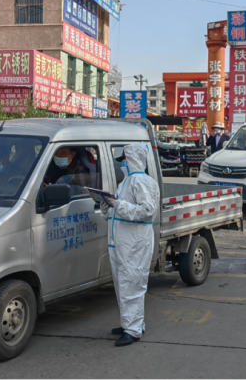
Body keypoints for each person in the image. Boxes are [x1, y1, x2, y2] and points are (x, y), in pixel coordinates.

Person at [99, 143, 160, 347]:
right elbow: (123, 210)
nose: (122, 163)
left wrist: (119, 205)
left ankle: (133, 330)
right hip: (121, 243)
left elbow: (147, 211)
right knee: (122, 284)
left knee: (133, 284)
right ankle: (130, 323)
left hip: (135, 243)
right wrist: (107, 207)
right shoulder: (127, 181)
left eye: (124, 158)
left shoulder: (142, 181)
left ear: (133, 158)